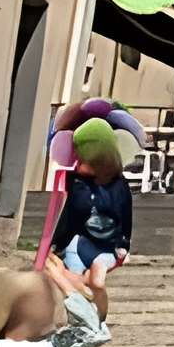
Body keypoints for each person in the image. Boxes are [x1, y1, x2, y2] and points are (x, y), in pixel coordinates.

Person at [45, 121, 133, 304]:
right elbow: (68, 217)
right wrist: (55, 243)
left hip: (107, 246)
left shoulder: (119, 185)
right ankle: (80, 304)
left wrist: (124, 244)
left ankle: (92, 311)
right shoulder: (77, 184)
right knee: (71, 274)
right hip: (79, 243)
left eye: (82, 157)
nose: (77, 160)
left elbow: (125, 216)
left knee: (95, 282)